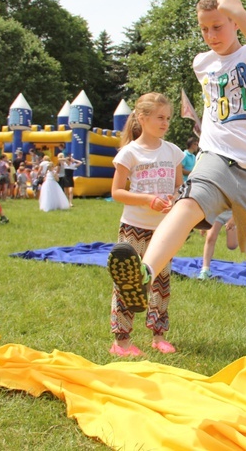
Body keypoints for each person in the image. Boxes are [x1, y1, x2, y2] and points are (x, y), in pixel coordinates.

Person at [106, 0, 246, 378]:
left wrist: (241, 12)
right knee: (188, 205)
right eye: (204, 29)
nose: (211, 36)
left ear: (234, 22)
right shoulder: (202, 62)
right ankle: (142, 273)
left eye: (218, 26)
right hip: (214, 158)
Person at [108, 93, 184, 356]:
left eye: (168, 118)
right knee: (128, 283)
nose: (165, 123)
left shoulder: (173, 151)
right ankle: (121, 341)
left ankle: (158, 335)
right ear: (142, 117)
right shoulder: (129, 152)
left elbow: (179, 188)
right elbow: (117, 192)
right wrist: (147, 200)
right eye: (160, 117)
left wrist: (175, 200)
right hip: (133, 227)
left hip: (163, 230)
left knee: (161, 282)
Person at [197, 210, 238, 279]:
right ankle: (205, 269)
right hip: (216, 213)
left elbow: (241, 202)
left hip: (233, 213)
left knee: (232, 245)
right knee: (210, 238)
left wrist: (234, 218)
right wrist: (204, 221)